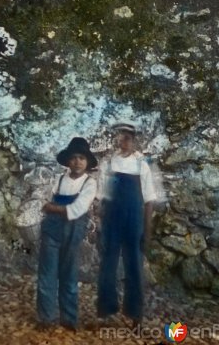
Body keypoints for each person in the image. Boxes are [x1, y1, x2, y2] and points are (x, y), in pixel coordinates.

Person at [97, 123, 156, 326]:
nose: (123, 141)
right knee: (107, 265)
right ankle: (105, 312)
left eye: (128, 137)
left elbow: (149, 200)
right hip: (111, 221)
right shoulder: (108, 164)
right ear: (116, 139)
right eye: (120, 137)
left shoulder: (142, 164)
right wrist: (100, 225)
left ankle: (135, 315)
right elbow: (102, 198)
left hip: (133, 222)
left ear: (134, 139)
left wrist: (146, 230)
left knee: (134, 266)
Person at [37, 137, 97, 331]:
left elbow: (78, 208)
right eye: (74, 158)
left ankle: (69, 318)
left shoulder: (89, 183)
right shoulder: (59, 179)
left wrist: (52, 208)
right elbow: (43, 198)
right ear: (68, 161)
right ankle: (47, 318)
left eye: (82, 158)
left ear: (87, 162)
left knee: (69, 275)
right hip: (52, 230)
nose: (77, 161)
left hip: (73, 231)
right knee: (47, 274)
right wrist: (45, 205)